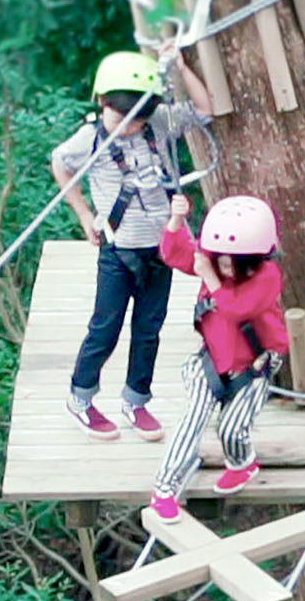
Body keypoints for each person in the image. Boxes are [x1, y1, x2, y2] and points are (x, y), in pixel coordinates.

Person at [52, 46, 214, 442]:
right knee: (105, 327)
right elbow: (60, 162)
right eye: (122, 119)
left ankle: (136, 400)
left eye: (137, 121)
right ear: (103, 102)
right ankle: (81, 398)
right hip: (118, 250)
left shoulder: (156, 124)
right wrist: (83, 214)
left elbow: (205, 110)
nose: (130, 128)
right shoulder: (90, 138)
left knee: (148, 329)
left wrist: (179, 66)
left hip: (162, 248)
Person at [150, 194, 289, 520]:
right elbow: (176, 254)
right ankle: (164, 488)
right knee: (193, 419)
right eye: (219, 259)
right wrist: (176, 221)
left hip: (254, 364)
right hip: (212, 360)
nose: (224, 265)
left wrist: (210, 277)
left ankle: (242, 463)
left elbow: (238, 309)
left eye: (233, 261)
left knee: (231, 430)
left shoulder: (267, 276)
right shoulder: (211, 258)